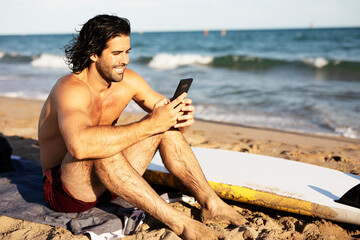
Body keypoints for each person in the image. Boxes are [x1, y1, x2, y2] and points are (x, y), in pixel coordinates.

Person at [38, 14, 246, 239]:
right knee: (103, 146)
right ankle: (180, 224)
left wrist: (179, 118)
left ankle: (211, 204)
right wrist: (151, 123)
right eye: (116, 53)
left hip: (111, 185)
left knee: (162, 128)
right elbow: (79, 146)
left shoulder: (129, 81)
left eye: (127, 51)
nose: (125, 60)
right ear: (93, 53)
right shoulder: (70, 88)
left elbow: (167, 125)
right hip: (67, 192)